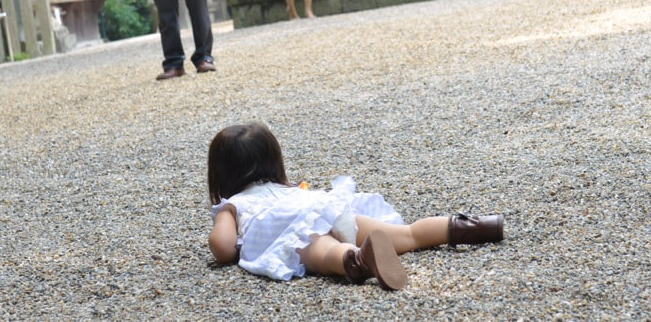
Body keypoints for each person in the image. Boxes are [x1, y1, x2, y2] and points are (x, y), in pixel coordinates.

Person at [207, 123, 505, 290]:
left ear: (221, 175)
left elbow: (222, 247)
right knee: (408, 234)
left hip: (293, 232)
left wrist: (227, 241)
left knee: (325, 251)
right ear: (274, 160)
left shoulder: (234, 205)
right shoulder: (291, 190)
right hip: (329, 207)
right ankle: (472, 226)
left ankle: (358, 259)